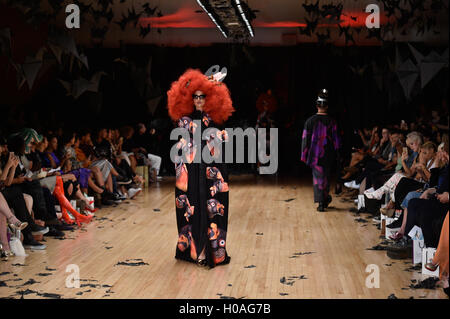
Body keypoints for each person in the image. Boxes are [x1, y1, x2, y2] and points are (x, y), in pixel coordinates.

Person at [167, 68, 234, 268]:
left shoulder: (213, 120)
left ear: (209, 98)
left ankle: (209, 250)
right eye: (195, 96)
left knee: (211, 211)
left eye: (202, 96)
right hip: (191, 173)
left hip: (209, 172)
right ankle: (196, 250)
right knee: (192, 210)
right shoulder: (183, 121)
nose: (198, 100)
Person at [301, 89, 341, 212]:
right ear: (327, 106)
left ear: (317, 105)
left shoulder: (309, 121)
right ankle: (323, 200)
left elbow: (305, 139)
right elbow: (336, 141)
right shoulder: (332, 122)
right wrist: (338, 154)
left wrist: (304, 155)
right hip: (328, 154)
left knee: (318, 179)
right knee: (326, 177)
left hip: (315, 154)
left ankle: (321, 202)